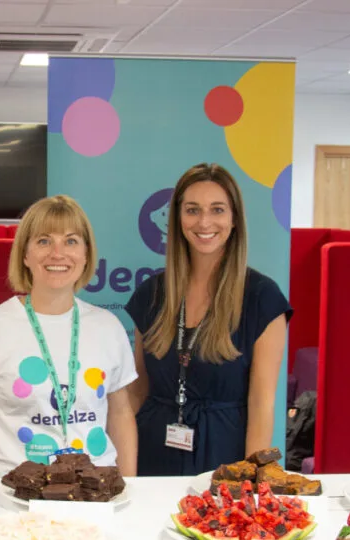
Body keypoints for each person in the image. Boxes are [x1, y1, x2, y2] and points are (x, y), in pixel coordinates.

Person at [0, 195, 138, 478]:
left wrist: (128, 486)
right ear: (25, 254)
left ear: (86, 254)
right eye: (44, 241)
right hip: (10, 498)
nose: (57, 253)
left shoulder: (108, 327)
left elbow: (121, 414)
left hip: (95, 497)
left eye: (71, 241)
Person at [125, 163, 292, 476]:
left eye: (217, 209)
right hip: (153, 454)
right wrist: (114, 460)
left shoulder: (262, 298)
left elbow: (261, 403)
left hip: (225, 460)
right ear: (177, 218)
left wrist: (251, 481)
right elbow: (137, 389)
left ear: (234, 218)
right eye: (192, 210)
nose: (204, 222)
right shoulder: (150, 295)